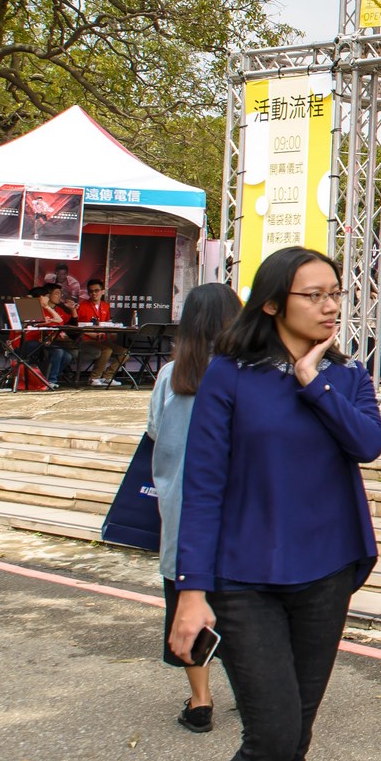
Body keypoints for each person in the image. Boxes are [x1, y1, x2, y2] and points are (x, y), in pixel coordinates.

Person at [166, 246, 381, 761]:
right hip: (245, 578)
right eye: (312, 295)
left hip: (325, 573)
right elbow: (202, 486)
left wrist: (312, 381)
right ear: (271, 303)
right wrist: (191, 591)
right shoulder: (228, 377)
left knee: (294, 743)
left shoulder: (344, 377)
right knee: (272, 734)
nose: (328, 306)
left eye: (334, 293)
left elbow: (368, 445)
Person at [149, 283, 240, 734]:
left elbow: (153, 430)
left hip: (181, 508)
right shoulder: (247, 373)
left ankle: (201, 700)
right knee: (242, 604)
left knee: (187, 600)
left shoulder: (171, 375)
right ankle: (251, 689)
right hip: (235, 509)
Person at [74, 278, 130, 386]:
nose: (94, 293)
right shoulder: (82, 306)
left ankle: (107, 376)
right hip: (86, 340)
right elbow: (79, 327)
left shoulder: (105, 306)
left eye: (96, 290)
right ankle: (94, 378)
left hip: (102, 339)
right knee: (107, 350)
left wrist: (112, 333)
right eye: (91, 291)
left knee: (125, 352)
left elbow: (107, 323)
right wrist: (94, 335)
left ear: (102, 291)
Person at [15, 283, 73, 388]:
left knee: (67, 357)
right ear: (40, 297)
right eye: (46, 296)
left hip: (39, 342)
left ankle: (43, 378)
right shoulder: (29, 305)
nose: (48, 299)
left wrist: (46, 307)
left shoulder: (45, 308)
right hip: (24, 343)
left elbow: (59, 320)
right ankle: (51, 381)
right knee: (57, 351)